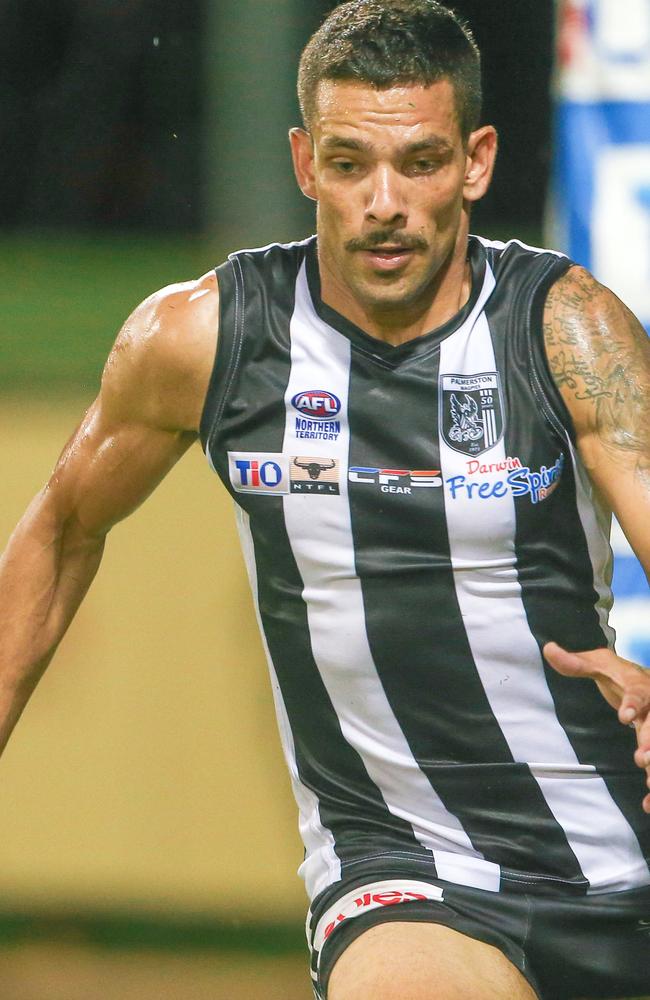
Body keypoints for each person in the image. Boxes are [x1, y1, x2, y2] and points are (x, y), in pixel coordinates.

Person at [1, 1, 649, 997]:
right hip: (400, 872)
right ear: (305, 164)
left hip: (619, 853)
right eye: (349, 165)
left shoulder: (566, 334)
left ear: (475, 163)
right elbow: (62, 526)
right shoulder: (206, 340)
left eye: (420, 162)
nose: (382, 202)